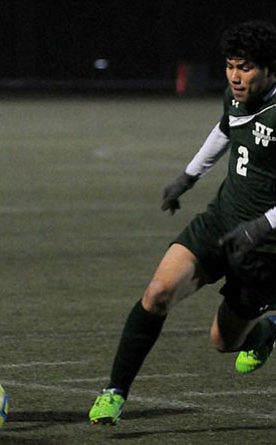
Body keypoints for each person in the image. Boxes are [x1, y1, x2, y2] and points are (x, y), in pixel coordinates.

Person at [89, 20, 276, 425]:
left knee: (223, 343)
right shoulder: (236, 97)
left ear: (269, 68)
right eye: (230, 66)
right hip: (219, 221)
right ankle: (114, 392)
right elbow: (225, 129)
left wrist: (262, 226)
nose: (235, 77)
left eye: (244, 68)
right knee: (157, 292)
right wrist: (188, 177)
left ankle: (266, 328)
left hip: (263, 247)